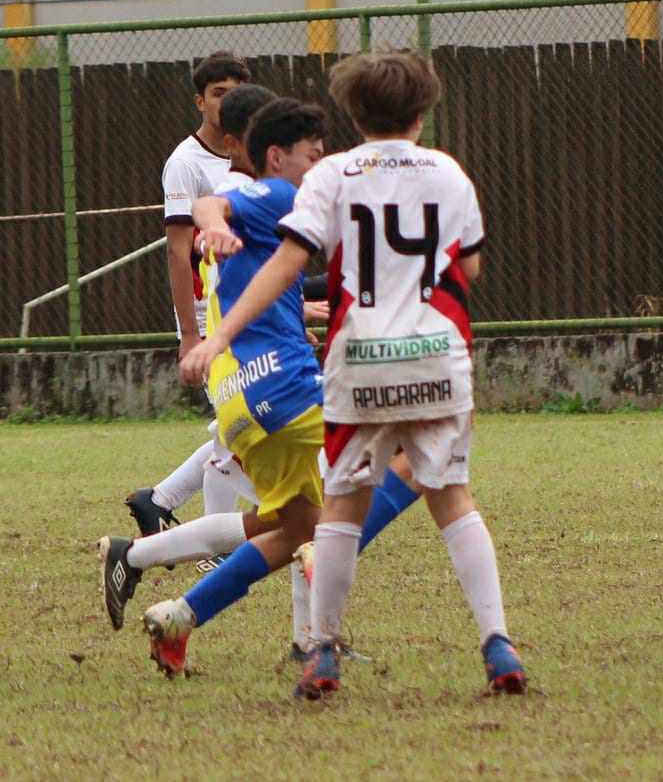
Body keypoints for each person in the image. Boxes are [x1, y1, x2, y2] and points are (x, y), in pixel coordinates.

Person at [181, 52, 525, 698]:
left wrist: (220, 334)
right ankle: (497, 644)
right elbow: (470, 271)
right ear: (422, 112)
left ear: (354, 114)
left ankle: (322, 651)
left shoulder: (332, 175)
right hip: (435, 357)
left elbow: (285, 264)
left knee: (339, 509)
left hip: (359, 362)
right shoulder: (448, 174)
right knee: (452, 498)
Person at [101, 98, 330, 676]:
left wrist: (304, 307)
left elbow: (250, 277)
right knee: (352, 495)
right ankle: (310, 642)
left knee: (290, 524)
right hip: (282, 385)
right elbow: (208, 204)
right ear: (273, 153)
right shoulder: (274, 194)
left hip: (241, 384)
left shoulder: (253, 215)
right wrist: (216, 223)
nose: (320, 163)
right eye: (314, 153)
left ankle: (140, 554)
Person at [124, 52, 251, 538]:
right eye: (219, 93)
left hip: (248, 307)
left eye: (235, 93)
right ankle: (210, 540)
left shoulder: (251, 153)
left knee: (240, 420)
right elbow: (179, 254)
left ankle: (160, 501)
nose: (228, 102)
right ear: (200, 100)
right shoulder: (185, 162)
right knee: (238, 423)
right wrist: (190, 332)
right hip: (211, 311)